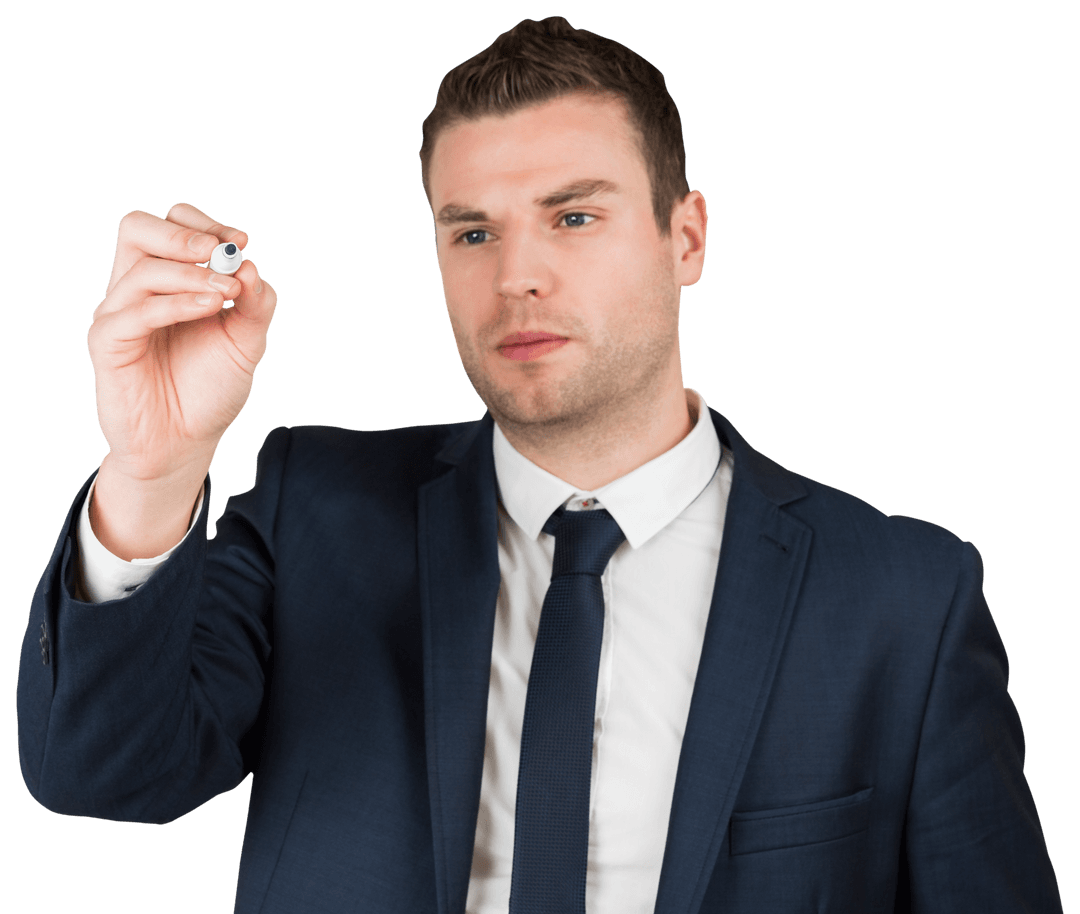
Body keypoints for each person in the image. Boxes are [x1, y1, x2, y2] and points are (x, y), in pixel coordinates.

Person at [16, 15, 1062, 914]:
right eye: (472, 232)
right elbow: (102, 770)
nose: (517, 276)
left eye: (573, 215)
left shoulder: (902, 598)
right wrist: (154, 464)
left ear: (684, 237)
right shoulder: (317, 511)